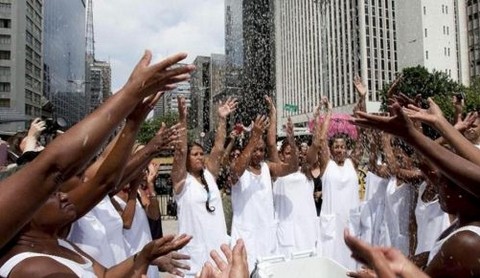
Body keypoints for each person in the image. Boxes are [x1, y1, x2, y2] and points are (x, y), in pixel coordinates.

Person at [0, 50, 194, 250]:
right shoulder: (39, 250)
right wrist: (131, 94)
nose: (78, 170)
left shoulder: (68, 213)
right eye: (54, 187)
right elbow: (69, 170)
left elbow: (105, 176)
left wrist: (133, 121)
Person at [0, 190, 192, 277]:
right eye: (52, 194)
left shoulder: (62, 244)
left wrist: (144, 255)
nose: (65, 195)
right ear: (23, 211)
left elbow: (107, 275)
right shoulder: (34, 269)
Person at [171, 96, 237, 277]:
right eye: (195, 154)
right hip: (194, 257)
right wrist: (182, 119)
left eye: (201, 153)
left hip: (218, 251)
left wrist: (222, 119)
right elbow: (180, 150)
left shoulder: (209, 175)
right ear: (187, 159)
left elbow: (218, 146)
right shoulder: (181, 182)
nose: (200, 157)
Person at [229, 112, 298, 273]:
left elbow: (292, 168)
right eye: (255, 150)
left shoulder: (267, 168)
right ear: (248, 148)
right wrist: (254, 137)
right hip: (245, 237)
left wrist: (292, 141)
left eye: (261, 150)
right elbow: (236, 171)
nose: (258, 153)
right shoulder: (238, 169)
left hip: (266, 236)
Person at [307, 97, 363, 269]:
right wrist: (326, 114)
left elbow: (361, 139)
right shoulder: (327, 164)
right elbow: (321, 139)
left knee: (352, 261)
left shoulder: (351, 163)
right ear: (331, 149)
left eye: (342, 146)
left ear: (347, 149)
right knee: (332, 263)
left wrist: (362, 99)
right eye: (336, 147)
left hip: (349, 222)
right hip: (332, 225)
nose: (339, 149)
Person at [264, 96, 318, 257]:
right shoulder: (278, 172)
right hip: (286, 236)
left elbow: (316, 145)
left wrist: (315, 120)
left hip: (307, 232)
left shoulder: (306, 171)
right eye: (288, 153)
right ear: (281, 155)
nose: (292, 156)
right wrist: (273, 113)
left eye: (293, 153)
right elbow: (271, 144)